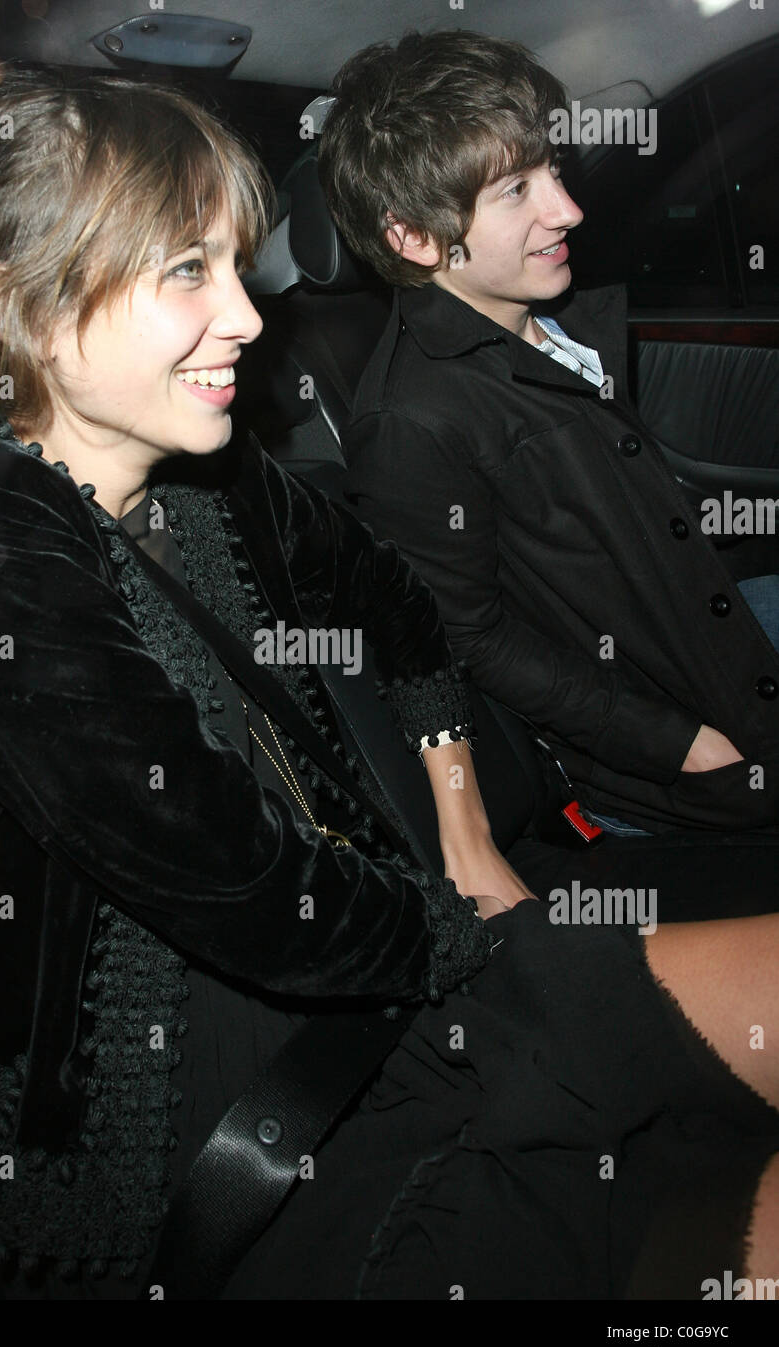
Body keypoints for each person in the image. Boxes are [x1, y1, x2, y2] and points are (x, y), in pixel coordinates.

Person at [0, 62, 779, 1301]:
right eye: (186, 271)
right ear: (18, 310)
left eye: (232, 263)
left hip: (394, 971)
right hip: (239, 1121)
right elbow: (227, 872)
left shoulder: (209, 479)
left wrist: (462, 833)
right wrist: (458, 933)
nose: (249, 317)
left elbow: (401, 606)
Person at [319, 29, 779, 838]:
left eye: (553, 172)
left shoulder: (548, 320)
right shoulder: (409, 420)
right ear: (413, 238)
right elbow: (468, 637)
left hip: (722, 642)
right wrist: (680, 744)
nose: (567, 209)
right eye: (514, 192)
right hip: (678, 746)